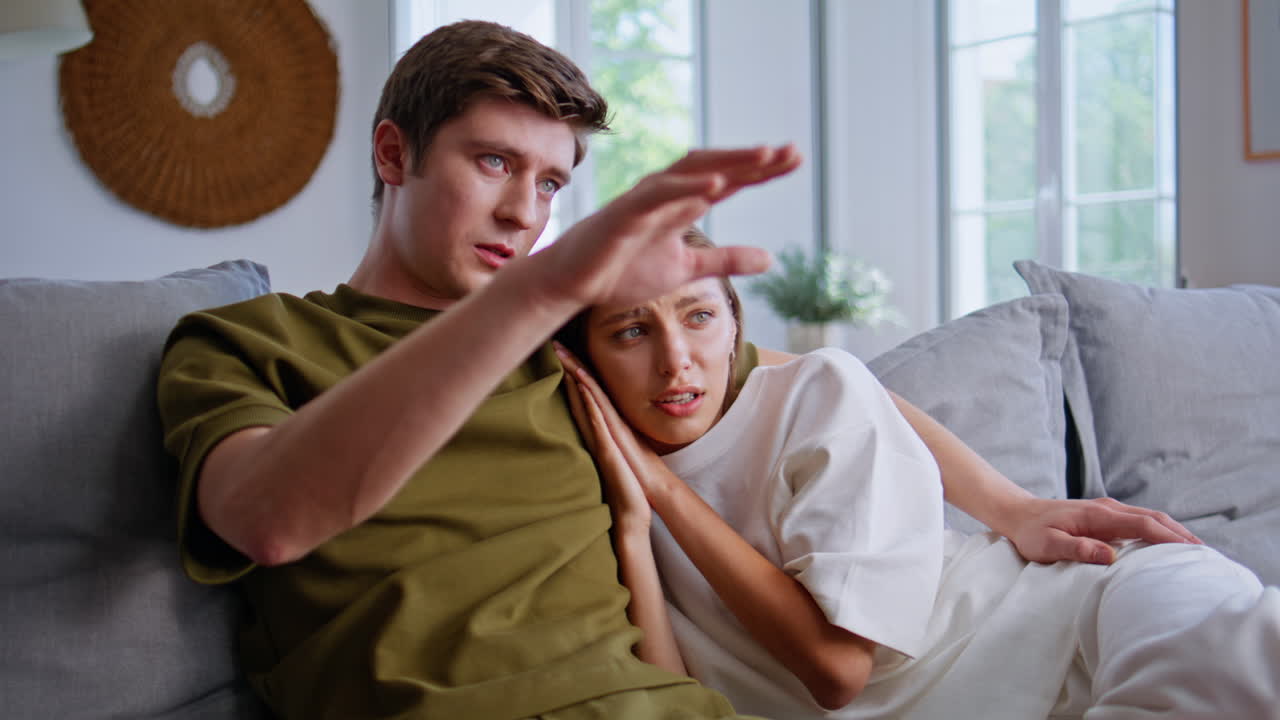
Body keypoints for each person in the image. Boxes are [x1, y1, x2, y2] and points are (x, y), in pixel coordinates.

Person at [157, 20, 1202, 720]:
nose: (525, 211)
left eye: (551, 181)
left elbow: (796, 373)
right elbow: (267, 517)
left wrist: (1010, 504)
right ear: (393, 155)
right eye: (492, 163)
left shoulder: (568, 351)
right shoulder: (248, 342)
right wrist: (542, 291)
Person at [552, 227, 1280, 719]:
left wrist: (665, 492)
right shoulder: (607, 485)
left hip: (1094, 607)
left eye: (699, 317)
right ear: (585, 358)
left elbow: (838, 670)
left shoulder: (815, 394)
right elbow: (678, 702)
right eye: (632, 330)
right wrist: (634, 520)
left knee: (1238, 661)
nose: (676, 360)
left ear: (736, 326)